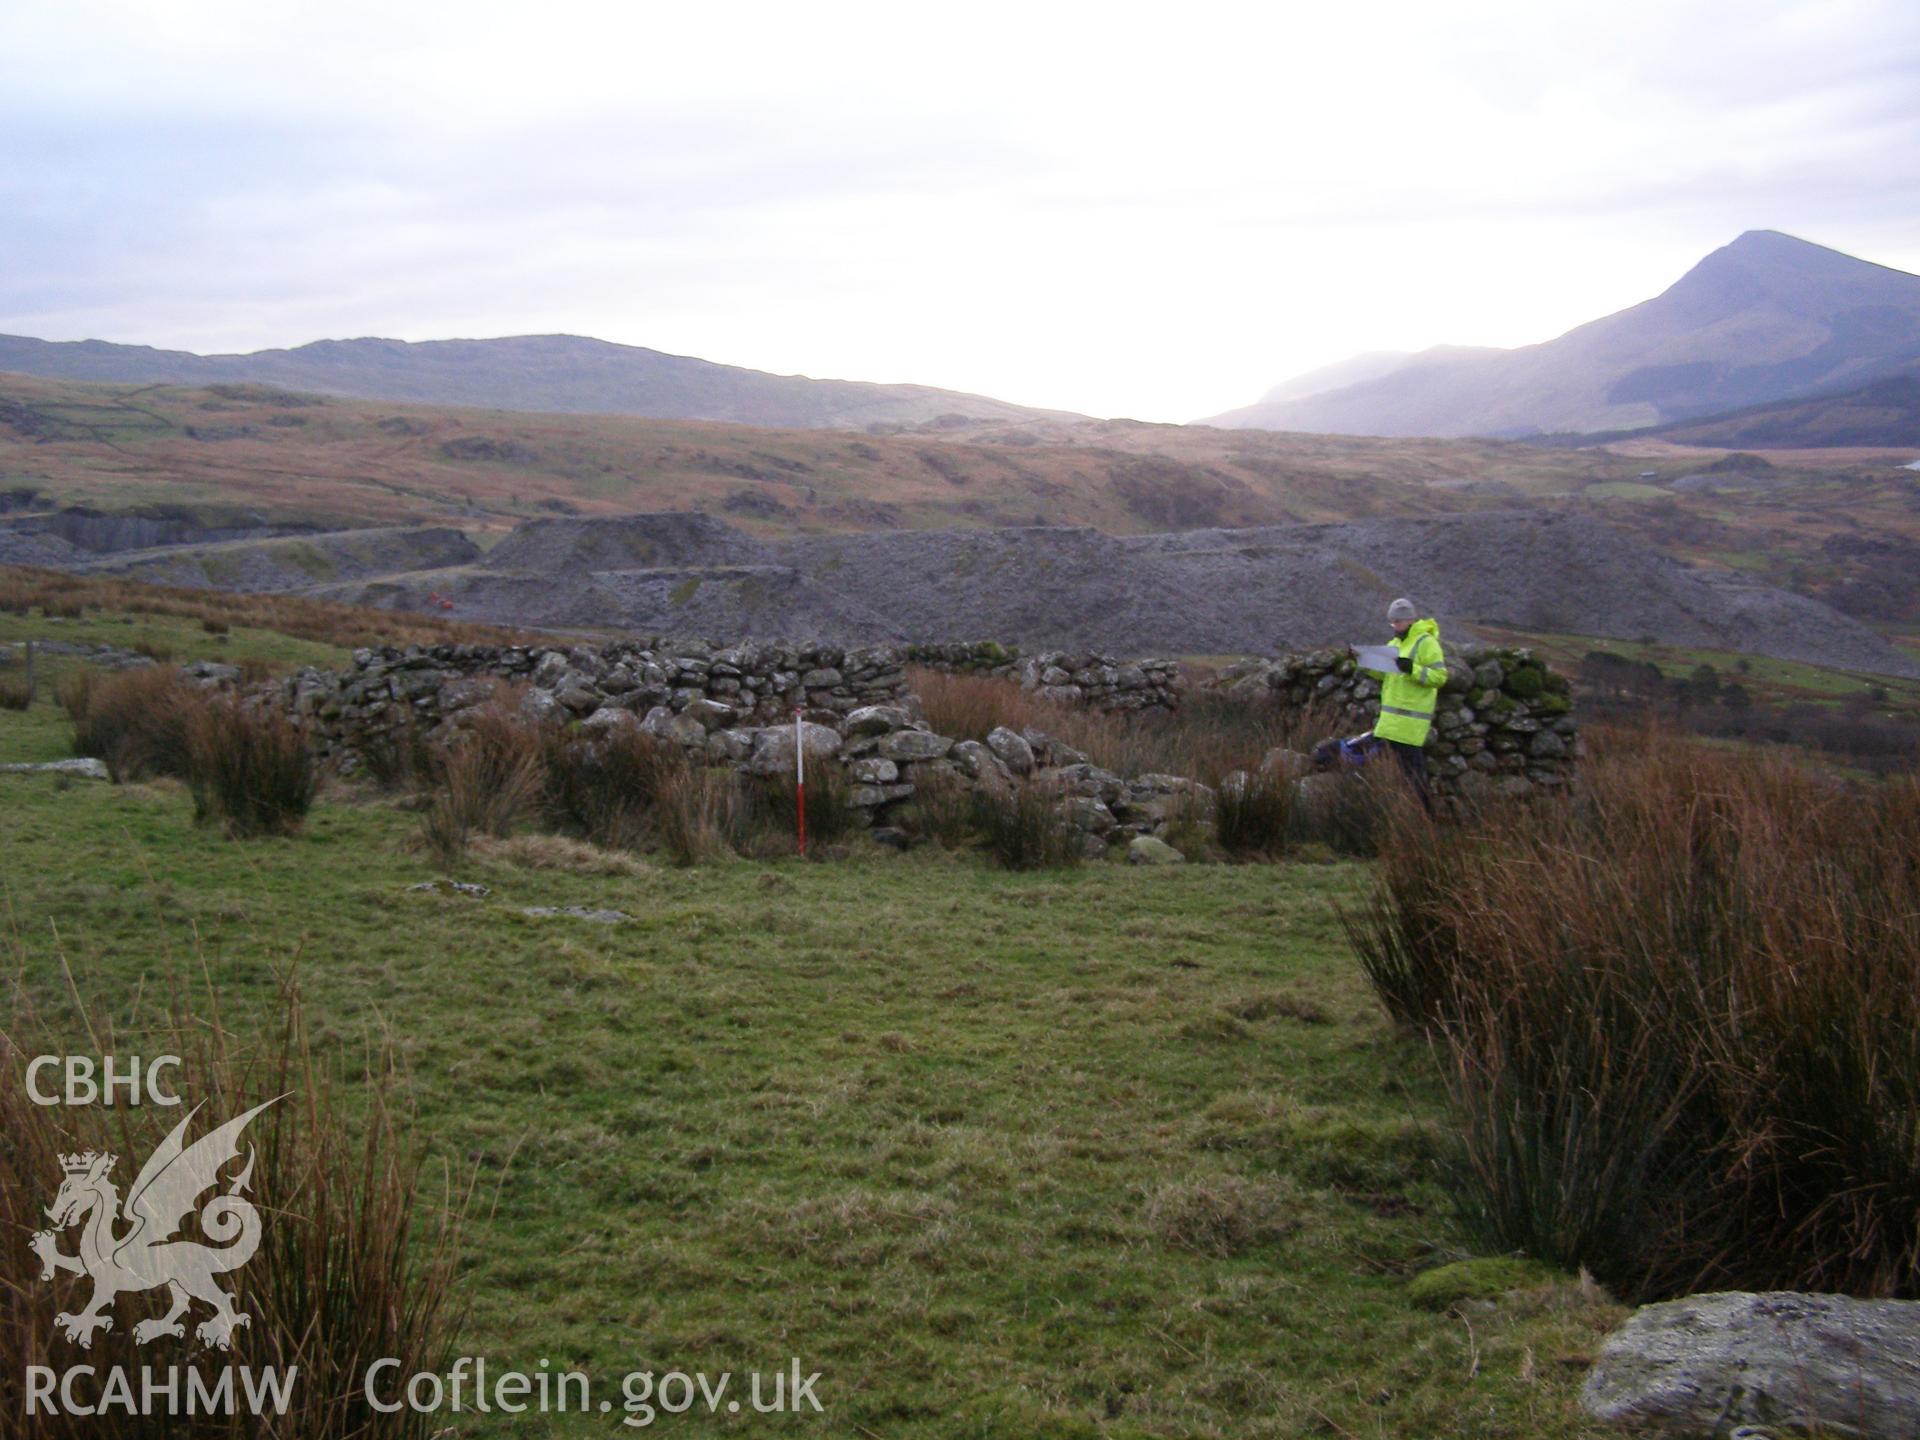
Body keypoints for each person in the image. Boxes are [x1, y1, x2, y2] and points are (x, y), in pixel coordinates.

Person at [1362, 597, 1446, 812]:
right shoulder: (1395, 644)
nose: (1394, 627)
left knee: (1415, 777)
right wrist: (1365, 662)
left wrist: (1412, 669)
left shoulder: (1426, 643)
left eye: (1397, 622)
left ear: (1409, 620)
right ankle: (1405, 816)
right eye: (1392, 623)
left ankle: (1427, 819)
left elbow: (1439, 677)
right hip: (1390, 723)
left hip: (1409, 726)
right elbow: (1385, 676)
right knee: (1383, 770)